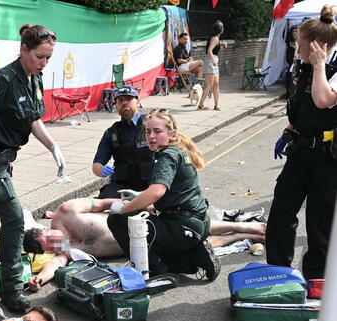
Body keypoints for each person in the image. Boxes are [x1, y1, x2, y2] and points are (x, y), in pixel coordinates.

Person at [0, 24, 66, 313]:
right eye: (40, 56)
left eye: (48, 58)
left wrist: (53, 146)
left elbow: (32, 118)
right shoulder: (5, 79)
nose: (44, 63)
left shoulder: (34, 77)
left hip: (5, 158)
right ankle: (11, 288)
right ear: (23, 50)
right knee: (15, 219)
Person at [23, 198, 265, 291]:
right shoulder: (64, 251)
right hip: (142, 249)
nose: (56, 244)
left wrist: (140, 205)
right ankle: (239, 237)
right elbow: (55, 265)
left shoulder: (65, 212)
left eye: (50, 238)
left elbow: (104, 203)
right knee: (198, 245)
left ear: (46, 228)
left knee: (190, 230)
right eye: (50, 247)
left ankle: (248, 227)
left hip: (139, 223)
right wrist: (39, 279)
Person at [106, 109, 220, 280]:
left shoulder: (166, 157)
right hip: (200, 223)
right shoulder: (180, 151)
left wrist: (123, 209)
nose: (151, 136)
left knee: (117, 219)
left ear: (171, 134)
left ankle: (157, 268)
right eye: (148, 131)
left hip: (182, 227)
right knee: (145, 217)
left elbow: (156, 192)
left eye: (157, 131)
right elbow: (175, 192)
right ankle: (195, 254)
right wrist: (140, 198)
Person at [268, 6, 337, 280]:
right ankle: (278, 272)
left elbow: (323, 100)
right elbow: (302, 106)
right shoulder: (303, 66)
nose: (297, 49)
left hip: (327, 158)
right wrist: (289, 130)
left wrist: (319, 65)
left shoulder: (331, 68)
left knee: (319, 221)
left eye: (301, 44)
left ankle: (316, 279)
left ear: (318, 45)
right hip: (300, 151)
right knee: (281, 211)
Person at [91, 86, 154, 199]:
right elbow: (96, 165)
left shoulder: (152, 124)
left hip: (151, 184)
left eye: (129, 99)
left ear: (138, 101)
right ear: (115, 106)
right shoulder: (112, 132)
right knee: (102, 204)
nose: (124, 102)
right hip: (122, 185)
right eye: (120, 100)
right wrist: (102, 170)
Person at [198, 21, 226, 111]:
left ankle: (216, 105)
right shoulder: (215, 38)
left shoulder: (216, 38)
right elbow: (209, 50)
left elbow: (215, 51)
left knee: (216, 84)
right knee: (209, 85)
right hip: (211, 62)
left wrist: (222, 47)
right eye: (222, 27)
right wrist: (213, 61)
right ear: (220, 29)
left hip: (213, 61)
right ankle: (200, 105)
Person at [285, 25, 299, 96]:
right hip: (292, 65)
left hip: (298, 66)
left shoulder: (301, 42)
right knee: (288, 81)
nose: (295, 33)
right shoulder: (290, 43)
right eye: (294, 31)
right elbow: (288, 57)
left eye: (296, 31)